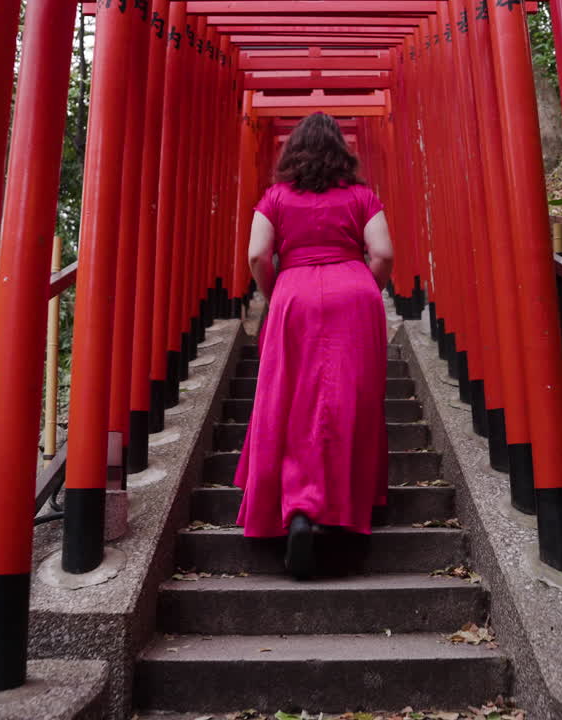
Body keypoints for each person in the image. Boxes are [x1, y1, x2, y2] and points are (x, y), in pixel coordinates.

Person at [233, 112, 395, 580]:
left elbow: (256, 254)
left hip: (294, 294)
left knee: (291, 400)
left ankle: (298, 507)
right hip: (353, 289)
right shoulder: (363, 196)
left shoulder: (275, 197)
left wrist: (275, 292)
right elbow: (382, 252)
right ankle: (344, 506)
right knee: (351, 399)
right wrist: (366, 287)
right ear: (341, 153)